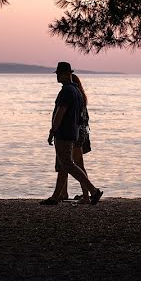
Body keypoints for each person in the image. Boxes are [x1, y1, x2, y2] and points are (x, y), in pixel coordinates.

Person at [40, 62, 103, 205]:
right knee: (64, 165)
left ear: (65, 74)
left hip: (64, 133)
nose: (56, 76)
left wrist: (53, 131)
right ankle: (56, 197)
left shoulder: (67, 91)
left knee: (68, 164)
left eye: (58, 73)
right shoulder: (77, 91)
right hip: (72, 132)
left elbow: (60, 112)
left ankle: (93, 191)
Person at [52, 73, 92, 203]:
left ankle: (87, 194)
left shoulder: (72, 95)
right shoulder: (81, 97)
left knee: (70, 164)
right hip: (80, 133)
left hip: (73, 133)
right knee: (67, 163)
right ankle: (63, 193)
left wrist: (54, 129)